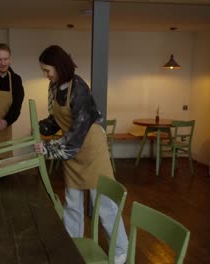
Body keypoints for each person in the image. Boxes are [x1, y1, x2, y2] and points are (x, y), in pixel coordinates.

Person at [34, 45, 128, 264]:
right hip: (72, 150)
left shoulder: (79, 88)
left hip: (90, 148)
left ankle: (120, 251)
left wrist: (49, 148)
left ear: (59, 66)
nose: (46, 75)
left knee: (104, 206)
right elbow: (56, 118)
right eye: (44, 71)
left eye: (48, 70)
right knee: (72, 203)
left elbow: (78, 131)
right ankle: (72, 248)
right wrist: (42, 127)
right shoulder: (54, 87)